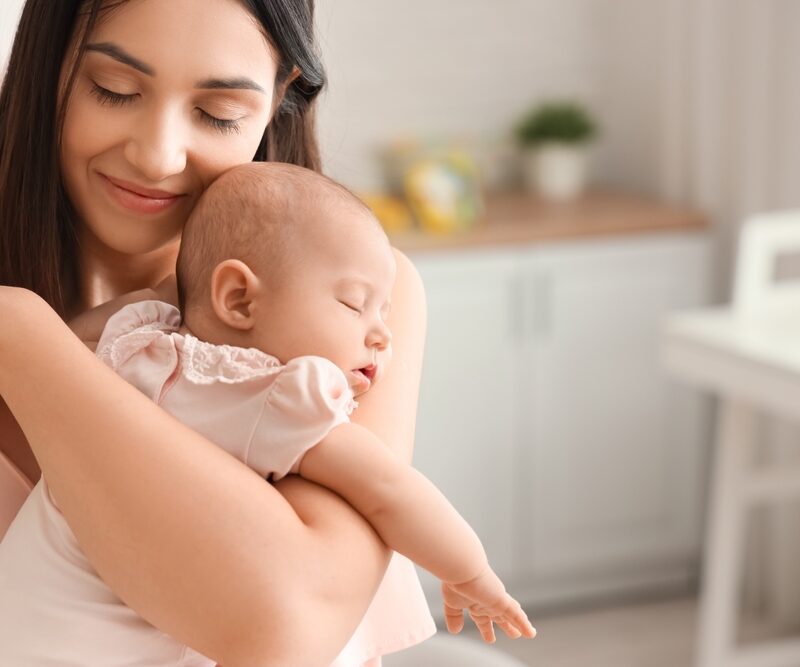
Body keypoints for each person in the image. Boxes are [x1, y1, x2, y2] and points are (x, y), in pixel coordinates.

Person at [0, 1, 438, 665]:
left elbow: (286, 621)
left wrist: (22, 335)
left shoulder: (360, 301)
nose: (157, 155)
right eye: (113, 91)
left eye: (218, 113)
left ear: (278, 97)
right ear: (48, 68)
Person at [1, 161, 536, 665]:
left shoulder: (138, 341)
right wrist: (470, 570)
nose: (381, 335)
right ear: (238, 299)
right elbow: (389, 490)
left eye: (383, 312)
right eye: (353, 304)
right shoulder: (268, 397)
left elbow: (71, 341)